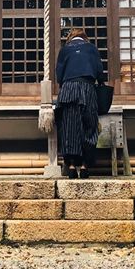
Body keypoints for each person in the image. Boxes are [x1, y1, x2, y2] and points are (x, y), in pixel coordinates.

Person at [54, 27, 107, 179]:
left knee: (69, 127)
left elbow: (59, 75)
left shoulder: (65, 50)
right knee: (89, 126)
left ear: (70, 38)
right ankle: (84, 166)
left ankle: (71, 166)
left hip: (68, 89)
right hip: (87, 88)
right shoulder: (92, 49)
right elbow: (99, 72)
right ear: (85, 37)